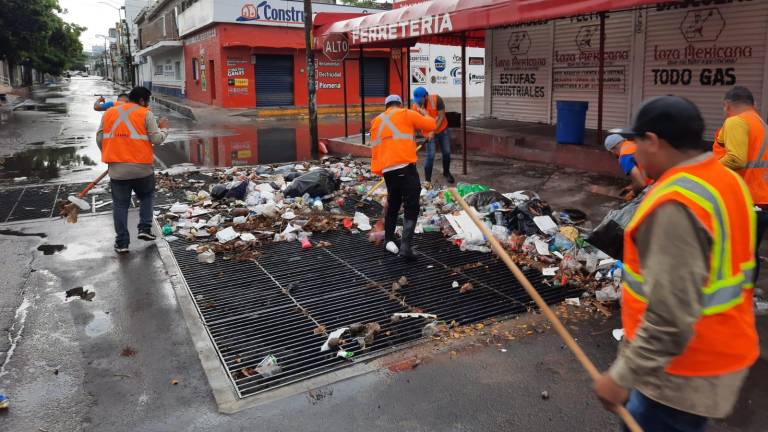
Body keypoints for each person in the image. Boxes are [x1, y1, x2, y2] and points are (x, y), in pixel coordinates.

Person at [593, 96, 759, 431]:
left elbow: (670, 316)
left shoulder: (676, 204)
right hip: (722, 352)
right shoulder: (727, 182)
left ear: (653, 141)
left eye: (636, 141)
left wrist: (621, 376)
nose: (632, 151)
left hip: (679, 373)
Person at [97, 86, 169, 254]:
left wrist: (109, 155)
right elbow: (157, 139)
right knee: (146, 197)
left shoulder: (109, 113)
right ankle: (144, 228)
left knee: (120, 205)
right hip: (142, 168)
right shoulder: (145, 113)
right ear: (142, 100)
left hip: (117, 169)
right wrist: (164, 128)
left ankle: (121, 243)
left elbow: (100, 137)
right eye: (148, 101)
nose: (148, 104)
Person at [370, 94, 436, 260]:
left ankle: (389, 240)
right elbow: (431, 124)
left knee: (393, 204)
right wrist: (422, 111)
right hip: (405, 168)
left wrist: (383, 171)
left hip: (387, 171)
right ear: (399, 104)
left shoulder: (376, 122)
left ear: (386, 107)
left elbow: (375, 151)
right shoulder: (405, 113)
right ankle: (405, 247)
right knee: (411, 205)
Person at [718, 86, 768, 283]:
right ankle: (748, 294)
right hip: (761, 199)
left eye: (724, 107)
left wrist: (706, 170)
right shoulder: (760, 123)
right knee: (750, 251)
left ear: (728, 104)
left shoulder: (735, 121)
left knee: (737, 253)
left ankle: (738, 296)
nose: (724, 111)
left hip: (746, 198)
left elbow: (736, 159)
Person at [411, 86, 454, 185]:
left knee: (446, 152)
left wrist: (433, 131)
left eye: (420, 99)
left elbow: (441, 116)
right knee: (430, 156)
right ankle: (427, 181)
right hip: (428, 134)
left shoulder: (436, 99)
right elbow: (414, 124)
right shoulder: (415, 107)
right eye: (416, 99)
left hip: (442, 130)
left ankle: (446, 172)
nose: (418, 102)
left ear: (425, 96)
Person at [604, 133, 651, 199]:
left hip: (654, 186)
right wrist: (632, 186)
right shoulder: (633, 144)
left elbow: (641, 184)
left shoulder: (624, 156)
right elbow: (641, 169)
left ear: (612, 149)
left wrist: (633, 193)